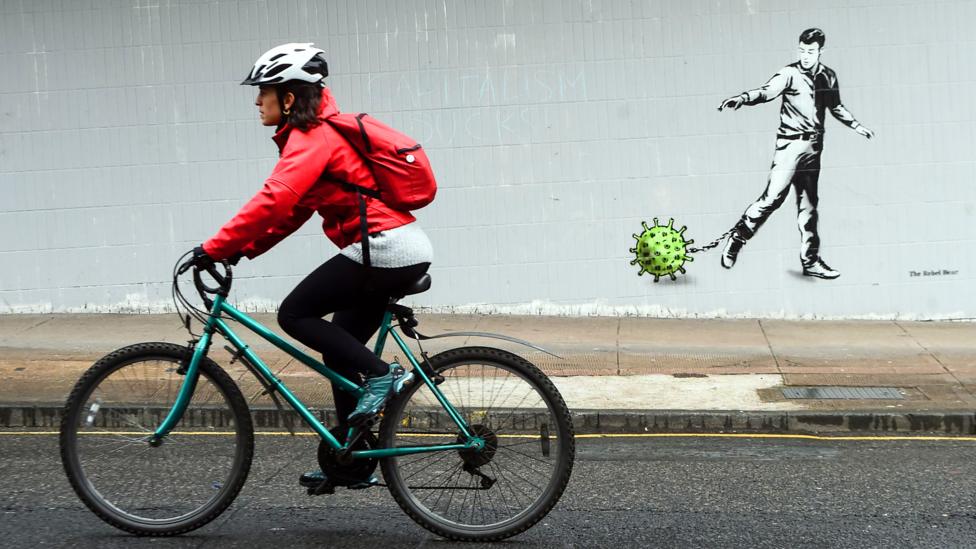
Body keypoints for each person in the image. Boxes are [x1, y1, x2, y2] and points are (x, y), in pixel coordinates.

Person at [190, 43, 434, 488]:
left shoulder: (311, 138)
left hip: (383, 248)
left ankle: (383, 377)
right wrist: (240, 249)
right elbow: (293, 211)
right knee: (339, 350)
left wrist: (213, 245)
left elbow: (274, 198)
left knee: (294, 314)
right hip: (389, 247)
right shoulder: (314, 138)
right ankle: (351, 459)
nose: (256, 101)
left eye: (263, 92)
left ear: (288, 98)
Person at [717, 28, 874, 279]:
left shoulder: (828, 76)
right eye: (802, 50)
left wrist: (856, 126)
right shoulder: (789, 74)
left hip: (813, 148)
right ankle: (738, 238)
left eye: (810, 51)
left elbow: (836, 106)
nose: (806, 56)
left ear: (820, 51)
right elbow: (767, 91)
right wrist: (743, 98)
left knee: (809, 207)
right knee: (772, 199)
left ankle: (810, 260)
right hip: (789, 147)